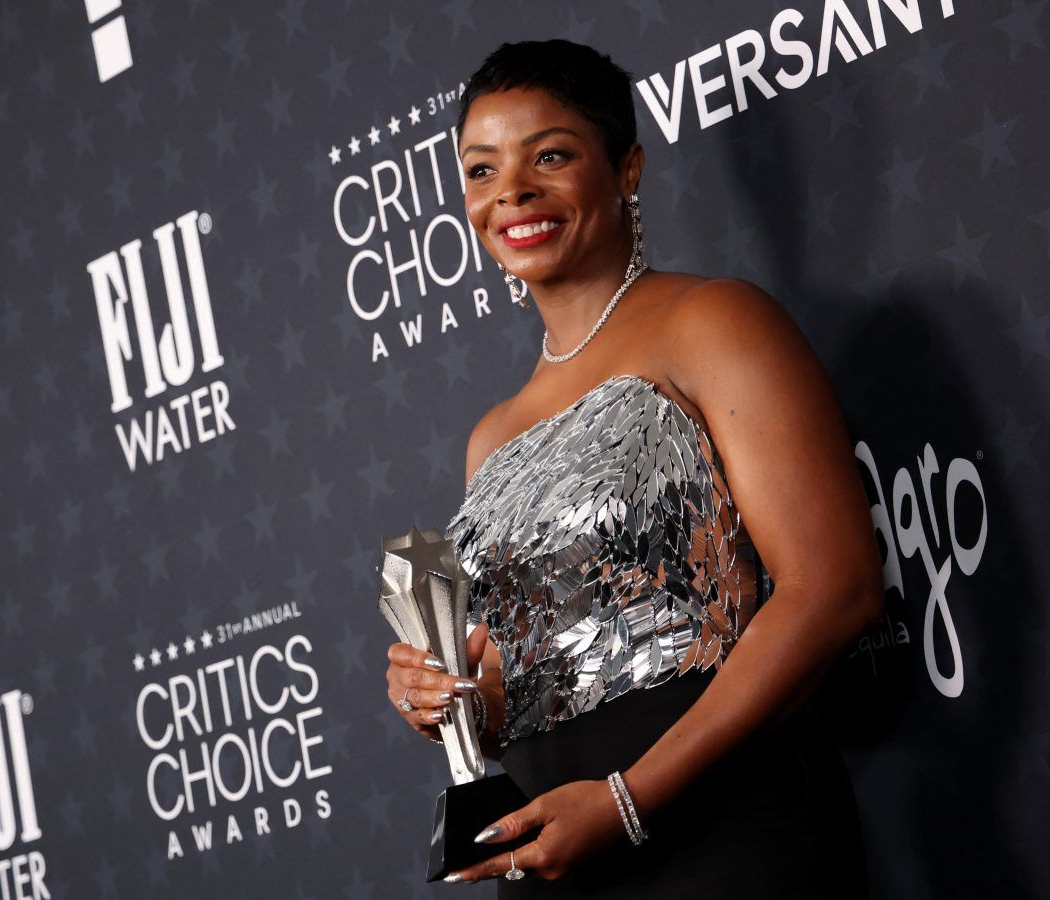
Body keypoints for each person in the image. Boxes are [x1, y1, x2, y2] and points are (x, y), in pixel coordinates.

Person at [384, 39, 884, 896]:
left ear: (627, 168)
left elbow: (833, 588)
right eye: (481, 169)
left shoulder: (714, 322)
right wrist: (448, 700)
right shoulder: (491, 437)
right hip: (556, 853)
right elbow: (539, 693)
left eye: (549, 156)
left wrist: (627, 800)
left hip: (723, 827)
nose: (512, 191)